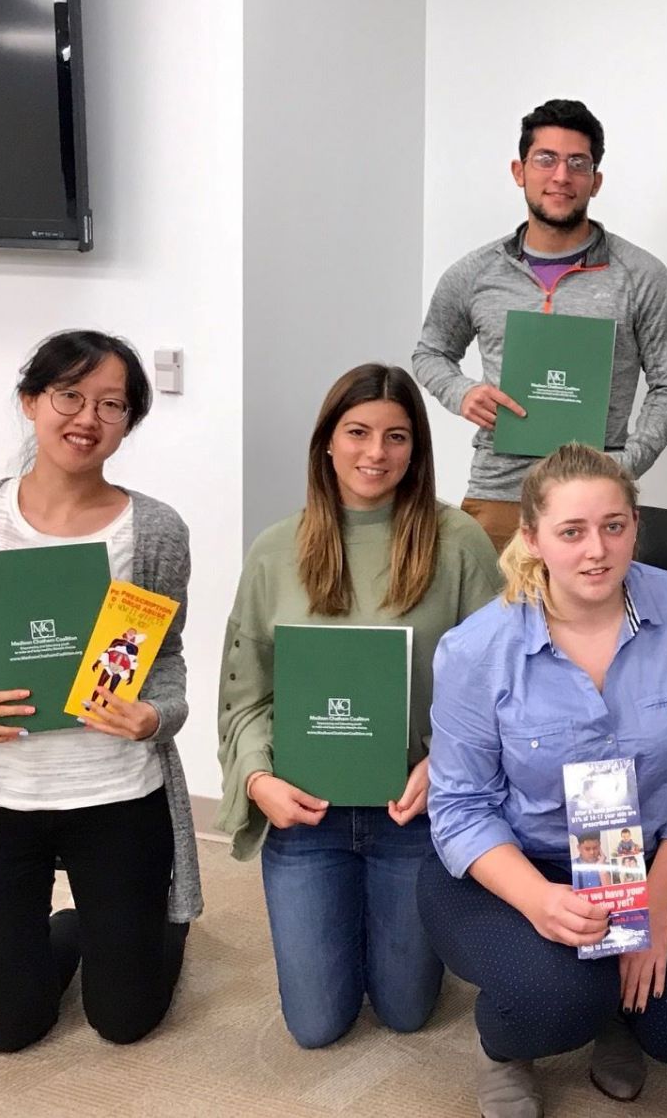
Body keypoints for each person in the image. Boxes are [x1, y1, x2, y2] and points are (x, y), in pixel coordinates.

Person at [417, 444, 667, 1118]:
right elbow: (459, 808)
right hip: (520, 862)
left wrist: (655, 904)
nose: (596, 550)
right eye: (571, 531)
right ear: (532, 537)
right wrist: (539, 900)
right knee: (554, 999)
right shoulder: (478, 649)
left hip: (646, 859)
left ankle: (615, 1014)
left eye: (613, 526)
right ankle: (503, 1046)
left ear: (635, 525)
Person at [215, 363, 503, 1049]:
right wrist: (257, 779)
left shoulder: (459, 541)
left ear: (417, 448)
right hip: (305, 816)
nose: (376, 452)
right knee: (316, 1024)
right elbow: (245, 692)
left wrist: (444, 765)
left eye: (396, 436)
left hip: (412, 813)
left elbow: (498, 685)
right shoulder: (275, 550)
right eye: (357, 432)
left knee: (406, 1009)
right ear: (327, 441)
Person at [0, 330, 200, 1051]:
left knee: (125, 1020)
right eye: (69, 395)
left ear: (127, 422)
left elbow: (167, 659)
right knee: (8, 1027)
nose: (88, 418)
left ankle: (150, 925)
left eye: (111, 404)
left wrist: (156, 715)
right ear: (31, 401)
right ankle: (82, 927)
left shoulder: (153, 529)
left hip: (116, 792)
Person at [413, 98, 667, 551]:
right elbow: (430, 352)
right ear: (519, 171)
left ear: (596, 181)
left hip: (596, 499)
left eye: (578, 163)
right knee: (490, 601)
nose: (561, 175)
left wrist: (626, 464)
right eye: (546, 159)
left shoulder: (641, 275)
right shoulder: (477, 272)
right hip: (498, 493)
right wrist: (462, 392)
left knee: (592, 602)